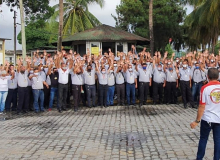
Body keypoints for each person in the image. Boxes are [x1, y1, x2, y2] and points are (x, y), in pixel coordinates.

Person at [190, 68, 220, 160]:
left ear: (207, 76)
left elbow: (201, 106)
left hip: (207, 118)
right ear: (218, 76)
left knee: (203, 139)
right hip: (218, 119)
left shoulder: (205, 88)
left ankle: (199, 158)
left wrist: (197, 120)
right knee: (218, 141)